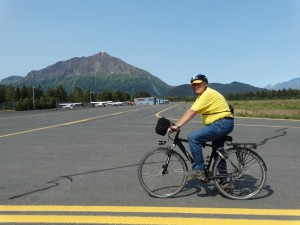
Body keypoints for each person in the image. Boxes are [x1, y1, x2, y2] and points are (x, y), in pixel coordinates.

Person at [168, 74, 234, 181]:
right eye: (193, 85)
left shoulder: (207, 94)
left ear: (205, 84)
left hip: (221, 123)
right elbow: (189, 111)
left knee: (193, 138)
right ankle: (223, 181)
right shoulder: (202, 96)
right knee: (218, 153)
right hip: (222, 123)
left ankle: (200, 169)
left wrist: (178, 125)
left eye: (198, 84)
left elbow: (191, 112)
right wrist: (176, 124)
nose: (195, 86)